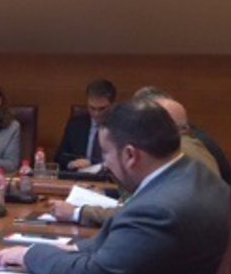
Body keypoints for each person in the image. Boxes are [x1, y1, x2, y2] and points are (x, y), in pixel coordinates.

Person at [0, 100, 230, 274]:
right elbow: (127, 242)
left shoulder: (161, 208)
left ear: (130, 155)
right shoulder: (193, 174)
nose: (105, 163)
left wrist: (30, 254)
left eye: (106, 153)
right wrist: (73, 247)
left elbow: (97, 273)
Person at [47, 90, 220, 226]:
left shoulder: (184, 154)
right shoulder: (181, 153)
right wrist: (107, 193)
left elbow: (143, 211)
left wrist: (78, 212)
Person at [54, 79, 116, 170]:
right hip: (81, 176)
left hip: (110, 177)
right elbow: (60, 158)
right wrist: (72, 164)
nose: (96, 114)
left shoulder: (122, 127)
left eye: (102, 109)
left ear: (112, 105)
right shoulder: (76, 124)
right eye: (92, 108)